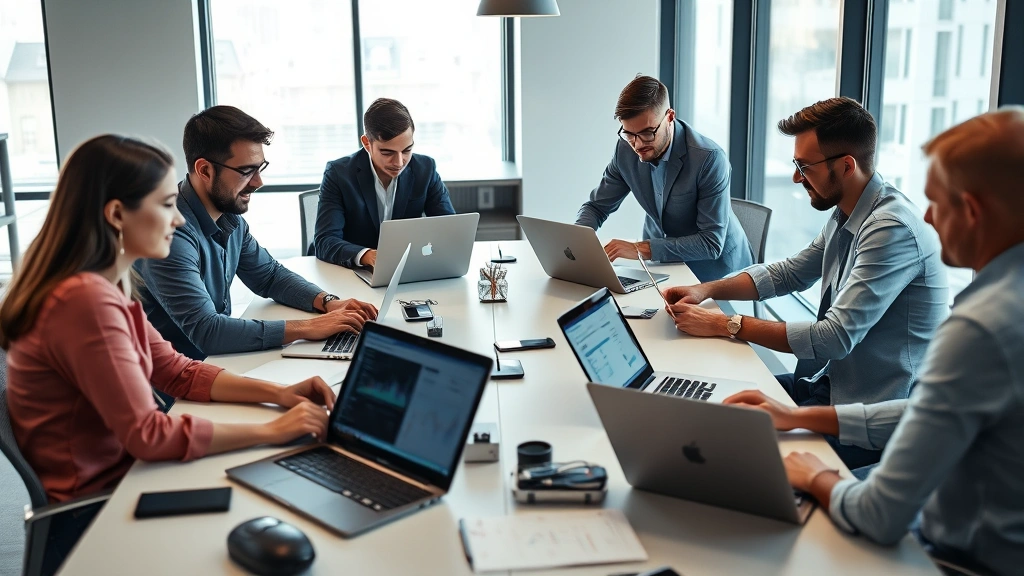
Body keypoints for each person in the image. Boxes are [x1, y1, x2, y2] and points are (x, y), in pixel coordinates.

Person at [0, 135, 336, 572]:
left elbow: (178, 372)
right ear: (117, 214)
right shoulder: (84, 302)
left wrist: (280, 394)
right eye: (165, 205)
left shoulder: (107, 286)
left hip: (133, 480)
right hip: (101, 514)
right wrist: (272, 431)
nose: (178, 219)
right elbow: (149, 434)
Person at [724, 108, 1024, 575]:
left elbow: (878, 515)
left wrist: (817, 476)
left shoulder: (980, 327)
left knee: (747, 492)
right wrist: (800, 416)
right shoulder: (1004, 303)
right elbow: (923, 412)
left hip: (953, 559)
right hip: (868, 421)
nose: (927, 217)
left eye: (937, 202)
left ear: (972, 211)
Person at [663, 98, 947, 469]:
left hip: (868, 420)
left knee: (729, 458)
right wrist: (707, 290)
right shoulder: (850, 211)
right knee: (705, 415)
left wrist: (724, 324)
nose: (797, 177)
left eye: (804, 166)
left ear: (846, 166)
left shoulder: (891, 230)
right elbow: (789, 273)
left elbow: (834, 337)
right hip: (826, 388)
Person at [135, 106, 377, 360]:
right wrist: (310, 328)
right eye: (246, 171)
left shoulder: (229, 216)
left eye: (260, 167)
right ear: (205, 170)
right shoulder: (169, 236)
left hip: (213, 364)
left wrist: (327, 302)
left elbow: (268, 275)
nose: (258, 181)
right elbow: (209, 332)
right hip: (169, 385)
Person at [574, 75, 752, 282]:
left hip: (716, 271)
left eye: (648, 133)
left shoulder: (709, 158)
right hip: (660, 263)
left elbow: (710, 243)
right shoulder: (625, 148)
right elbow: (596, 207)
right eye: (629, 134)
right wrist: (578, 244)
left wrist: (641, 249)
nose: (637, 144)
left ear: (670, 117)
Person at [314, 98, 455, 268]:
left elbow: (449, 230)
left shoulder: (425, 169)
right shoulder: (338, 173)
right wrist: (366, 255)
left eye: (407, 150)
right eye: (387, 152)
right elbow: (325, 241)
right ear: (367, 144)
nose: (399, 162)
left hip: (405, 269)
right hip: (350, 272)